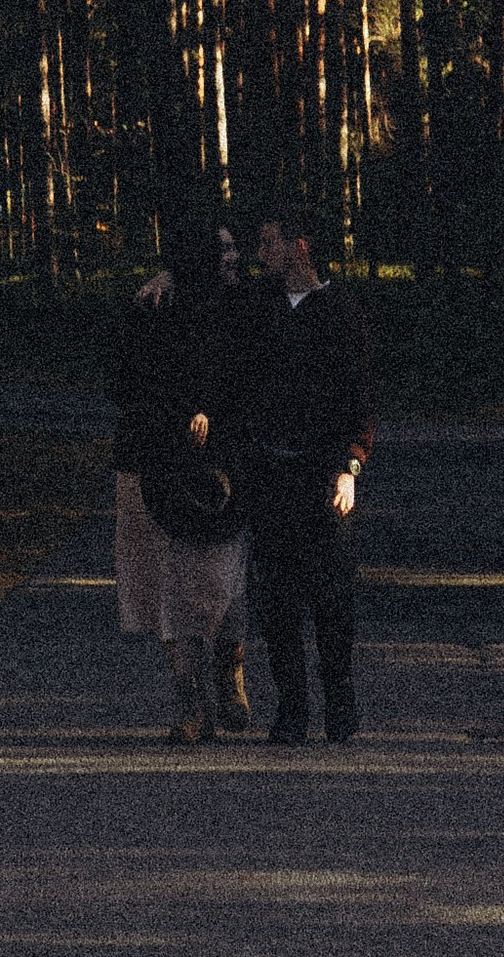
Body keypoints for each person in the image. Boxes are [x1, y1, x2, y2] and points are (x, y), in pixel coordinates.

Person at [108, 223, 259, 743]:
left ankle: (229, 671)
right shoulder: (155, 307)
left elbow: (252, 380)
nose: (232, 257)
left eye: (234, 246)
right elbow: (123, 382)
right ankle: (190, 698)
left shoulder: (244, 306)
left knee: (222, 581)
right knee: (164, 588)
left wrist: (211, 409)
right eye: (221, 249)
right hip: (154, 468)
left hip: (222, 473)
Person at [245, 202, 374, 745]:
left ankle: (339, 705)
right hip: (271, 475)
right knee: (276, 600)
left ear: (298, 246)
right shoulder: (258, 306)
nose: (261, 253)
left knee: (331, 598)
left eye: (269, 242)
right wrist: (163, 277)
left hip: (323, 476)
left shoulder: (341, 312)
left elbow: (360, 398)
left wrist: (350, 467)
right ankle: (291, 709)